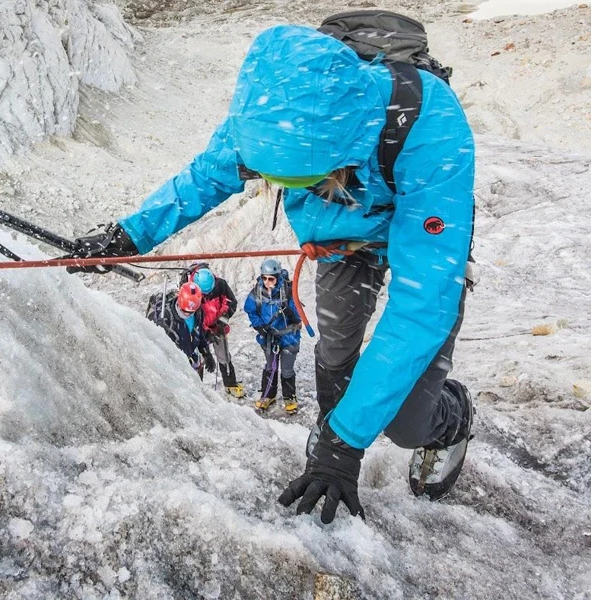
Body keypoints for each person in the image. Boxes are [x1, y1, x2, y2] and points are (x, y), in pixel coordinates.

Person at [71, 23, 475, 523]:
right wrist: (129, 236)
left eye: (299, 182)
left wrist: (345, 447)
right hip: (340, 245)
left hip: (422, 233)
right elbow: (206, 176)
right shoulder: (268, 115)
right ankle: (333, 433)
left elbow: (421, 307)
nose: (277, 188)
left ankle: (450, 420)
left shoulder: (431, 130)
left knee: (408, 423)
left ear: (340, 153)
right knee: (334, 359)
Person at [244, 259, 302, 413]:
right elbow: (250, 310)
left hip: (289, 337)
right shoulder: (257, 292)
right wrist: (259, 327)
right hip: (268, 337)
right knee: (270, 367)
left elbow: (299, 315)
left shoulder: (288, 292)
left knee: (287, 369)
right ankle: (268, 394)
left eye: (271, 278)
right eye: (264, 278)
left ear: (277, 277)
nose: (267, 282)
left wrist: (291, 313)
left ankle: (289, 397)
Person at [180, 264, 244, 398]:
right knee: (199, 360)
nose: (208, 295)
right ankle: (198, 390)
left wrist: (223, 318)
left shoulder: (220, 284)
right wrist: (206, 333)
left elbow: (231, 302)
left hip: (218, 327)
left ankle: (230, 384)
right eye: (205, 293)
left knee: (224, 356)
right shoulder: (190, 291)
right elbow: (191, 316)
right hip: (200, 331)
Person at [146, 281, 215, 379]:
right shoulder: (166, 318)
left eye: (191, 312)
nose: (187, 314)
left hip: (192, 362)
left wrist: (206, 353)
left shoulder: (197, 313)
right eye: (185, 311)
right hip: (175, 369)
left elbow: (199, 334)